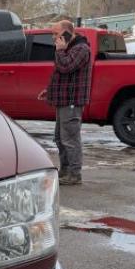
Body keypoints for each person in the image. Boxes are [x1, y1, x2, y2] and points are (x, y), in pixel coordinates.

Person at [38, 19, 92, 185]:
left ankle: (74, 174)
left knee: (69, 138)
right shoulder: (70, 48)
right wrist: (50, 91)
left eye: (56, 34)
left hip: (72, 101)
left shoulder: (81, 49)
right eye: (53, 34)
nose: (54, 38)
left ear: (68, 32)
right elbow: (64, 76)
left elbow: (66, 67)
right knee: (60, 138)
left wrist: (60, 51)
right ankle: (66, 170)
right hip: (63, 99)